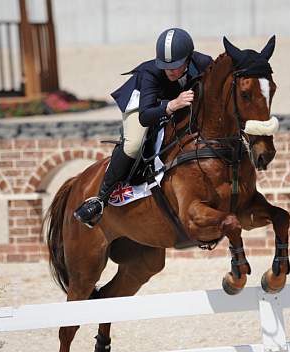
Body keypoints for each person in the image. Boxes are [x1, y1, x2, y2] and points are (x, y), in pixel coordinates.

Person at [74, 28, 213, 227]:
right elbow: (146, 115)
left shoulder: (204, 63)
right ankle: (100, 200)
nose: (171, 71)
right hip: (142, 105)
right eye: (166, 66)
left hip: (176, 102)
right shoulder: (151, 72)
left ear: (189, 58)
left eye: (176, 66)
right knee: (133, 144)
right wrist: (172, 105)